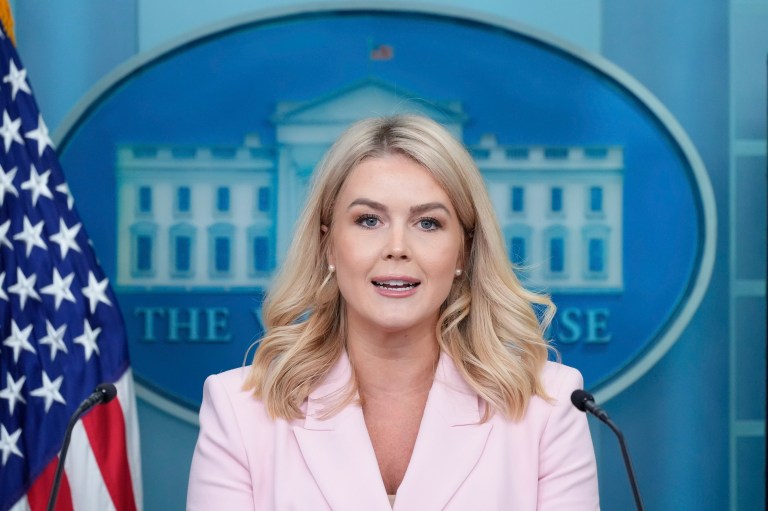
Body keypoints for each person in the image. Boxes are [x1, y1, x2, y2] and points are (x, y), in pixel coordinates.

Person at [187, 115, 599, 510]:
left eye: (428, 223)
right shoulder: (239, 410)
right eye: (369, 220)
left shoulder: (549, 404)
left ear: (463, 251)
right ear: (328, 245)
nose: (397, 247)